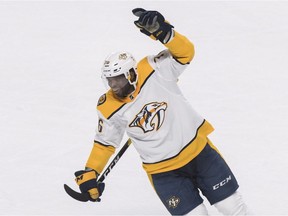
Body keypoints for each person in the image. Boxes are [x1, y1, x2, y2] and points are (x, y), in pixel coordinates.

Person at [74, 8, 250, 215]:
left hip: (200, 155)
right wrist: (91, 171)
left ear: (131, 73)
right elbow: (105, 143)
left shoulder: (154, 69)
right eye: (110, 80)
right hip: (164, 172)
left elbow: (186, 52)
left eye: (118, 78)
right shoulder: (108, 105)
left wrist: (164, 32)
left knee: (234, 209)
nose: (113, 85)